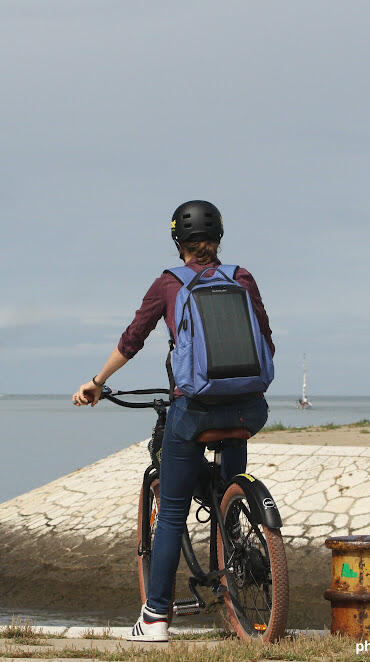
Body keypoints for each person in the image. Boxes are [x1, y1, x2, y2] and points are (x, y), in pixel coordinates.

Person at [72, 200, 274, 642]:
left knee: (172, 514)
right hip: (248, 409)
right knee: (229, 483)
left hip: (194, 410)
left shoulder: (169, 284)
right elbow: (267, 342)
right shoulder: (241, 278)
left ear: (178, 242)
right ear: (219, 238)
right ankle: (233, 536)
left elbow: (133, 339)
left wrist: (96, 381)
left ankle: (156, 618)